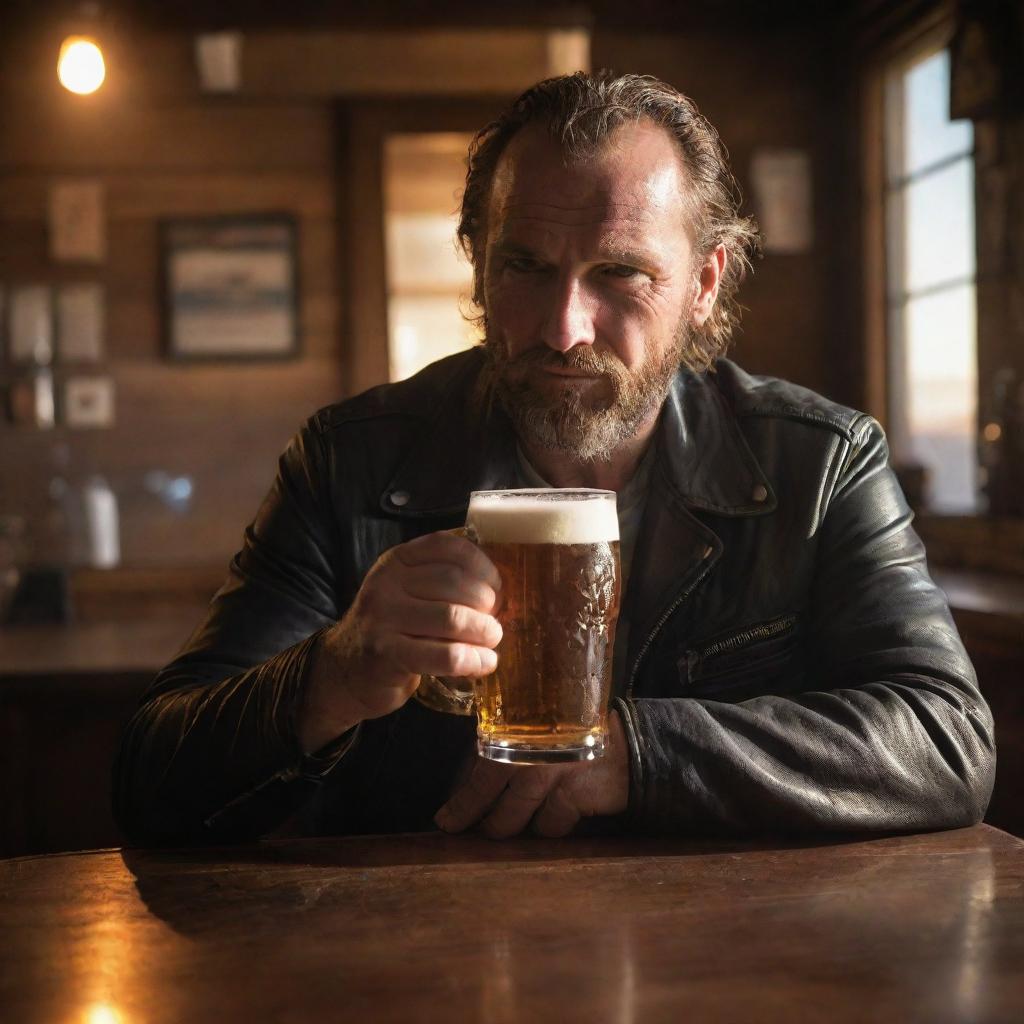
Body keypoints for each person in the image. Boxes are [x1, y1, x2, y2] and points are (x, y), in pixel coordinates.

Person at [114, 71, 994, 845]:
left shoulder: (819, 464)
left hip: (727, 960)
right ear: (478, 268)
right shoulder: (349, 462)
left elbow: (947, 740)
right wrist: (333, 674)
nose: (563, 328)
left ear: (707, 283)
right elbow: (155, 784)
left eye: (620, 275)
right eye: (524, 267)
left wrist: (636, 755)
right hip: (419, 957)